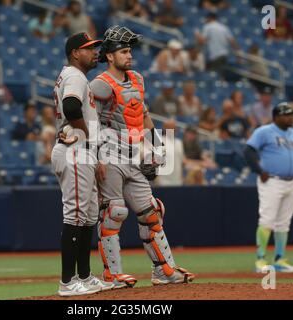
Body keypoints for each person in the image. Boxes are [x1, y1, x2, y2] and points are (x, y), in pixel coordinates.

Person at [91, 25, 195, 288]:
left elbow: (143, 115)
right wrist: (97, 158)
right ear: (110, 56)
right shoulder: (100, 84)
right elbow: (89, 120)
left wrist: (156, 146)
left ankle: (164, 271)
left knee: (152, 212)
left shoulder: (137, 78)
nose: (129, 55)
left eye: (129, 51)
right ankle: (112, 275)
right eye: (123, 51)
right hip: (110, 153)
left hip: (133, 155)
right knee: (114, 212)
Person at [51, 32, 113, 296]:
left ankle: (85, 277)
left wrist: (95, 154)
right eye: (89, 48)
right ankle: (67, 282)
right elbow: (71, 107)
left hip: (82, 150)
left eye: (95, 47)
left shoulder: (76, 76)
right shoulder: (75, 75)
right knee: (75, 215)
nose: (94, 52)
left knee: (87, 216)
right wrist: (86, 137)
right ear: (75, 53)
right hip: (75, 149)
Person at [244, 102, 293, 273]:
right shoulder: (265, 131)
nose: (290, 117)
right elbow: (248, 150)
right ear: (276, 117)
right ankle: (260, 259)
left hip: (291, 182)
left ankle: (279, 259)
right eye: (286, 115)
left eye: (291, 114)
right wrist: (259, 170)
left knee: (284, 223)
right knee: (267, 219)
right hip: (272, 181)